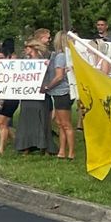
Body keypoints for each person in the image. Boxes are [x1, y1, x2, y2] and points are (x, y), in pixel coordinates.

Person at [15, 34, 57, 155]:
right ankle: (26, 146)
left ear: (34, 48)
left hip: (40, 94)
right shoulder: (24, 62)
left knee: (42, 119)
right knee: (26, 119)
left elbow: (50, 76)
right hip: (27, 95)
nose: (26, 50)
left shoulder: (44, 62)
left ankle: (44, 146)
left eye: (28, 47)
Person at [41, 31, 75, 159]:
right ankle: (62, 150)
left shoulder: (60, 56)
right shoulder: (64, 55)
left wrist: (48, 86)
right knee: (60, 123)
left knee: (65, 124)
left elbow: (59, 76)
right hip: (59, 93)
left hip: (62, 92)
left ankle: (71, 152)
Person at [0, 52, 18, 155]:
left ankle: (1, 150)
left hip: (9, 99)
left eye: (1, 58)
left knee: (2, 123)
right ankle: (17, 140)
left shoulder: (12, 71)